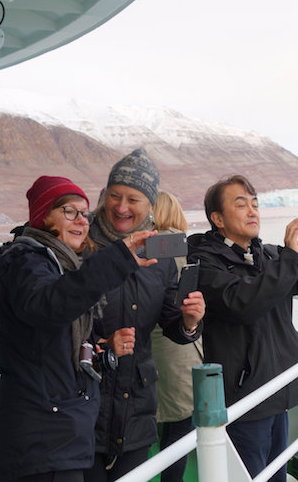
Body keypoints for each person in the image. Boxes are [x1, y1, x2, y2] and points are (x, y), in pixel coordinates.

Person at [0, 175, 160, 482]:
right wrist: (117, 259)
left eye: (85, 214)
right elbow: (50, 305)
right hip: (42, 442)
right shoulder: (28, 264)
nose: (81, 221)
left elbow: (49, 339)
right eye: (69, 211)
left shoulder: (57, 265)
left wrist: (99, 348)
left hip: (54, 435)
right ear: (43, 216)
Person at [186, 175, 298, 482]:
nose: (252, 211)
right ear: (217, 218)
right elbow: (244, 303)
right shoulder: (204, 262)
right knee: (250, 475)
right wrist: (291, 257)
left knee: (276, 475)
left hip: (279, 390)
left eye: (255, 203)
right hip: (245, 398)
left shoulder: (268, 255)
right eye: (240, 204)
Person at [84, 149, 206, 481]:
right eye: (115, 196)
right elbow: (58, 313)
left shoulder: (159, 253)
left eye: (133, 199)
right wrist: (100, 343)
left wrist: (189, 321)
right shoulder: (82, 244)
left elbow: (170, 322)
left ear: (150, 204)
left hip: (135, 403)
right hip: (84, 403)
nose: (121, 207)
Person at [149, 190, 203, 482]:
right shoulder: (177, 246)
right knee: (180, 425)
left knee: (163, 420)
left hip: (155, 345)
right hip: (180, 348)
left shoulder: (149, 246)